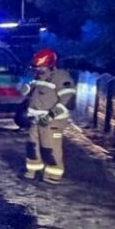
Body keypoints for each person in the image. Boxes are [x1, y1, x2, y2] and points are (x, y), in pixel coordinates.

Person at [19, 47, 75, 182]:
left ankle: (53, 174)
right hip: (36, 119)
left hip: (52, 121)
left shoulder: (62, 78)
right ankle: (33, 169)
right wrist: (25, 87)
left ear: (50, 64)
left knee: (50, 147)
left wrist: (51, 115)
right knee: (32, 146)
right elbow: (27, 92)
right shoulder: (38, 77)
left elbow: (67, 100)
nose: (37, 70)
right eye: (36, 67)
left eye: (41, 67)